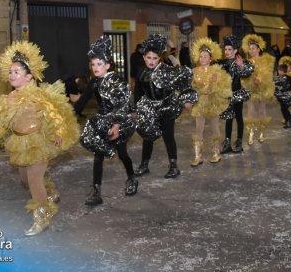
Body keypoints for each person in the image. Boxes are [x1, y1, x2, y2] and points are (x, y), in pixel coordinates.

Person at [0, 41, 79, 236]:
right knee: (25, 179)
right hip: (19, 143)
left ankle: (42, 217)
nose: (12, 75)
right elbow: (3, 120)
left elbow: (55, 114)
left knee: (34, 180)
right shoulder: (9, 98)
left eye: (17, 72)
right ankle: (51, 191)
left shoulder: (38, 95)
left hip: (38, 141)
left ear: (29, 77)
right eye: (10, 72)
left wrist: (59, 132)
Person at [78, 36, 138, 206]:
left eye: (99, 64)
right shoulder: (95, 82)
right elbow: (83, 101)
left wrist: (117, 125)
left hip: (119, 121)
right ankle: (96, 191)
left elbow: (122, 104)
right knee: (98, 155)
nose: (95, 68)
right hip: (103, 121)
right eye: (93, 64)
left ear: (107, 65)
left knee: (122, 153)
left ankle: (132, 178)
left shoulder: (116, 80)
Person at [132, 34, 197, 179]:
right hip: (149, 107)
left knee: (168, 136)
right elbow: (137, 91)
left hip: (167, 107)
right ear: (144, 58)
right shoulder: (141, 72)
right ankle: (144, 164)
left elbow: (183, 82)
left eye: (155, 58)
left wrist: (187, 98)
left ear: (159, 59)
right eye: (149, 58)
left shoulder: (167, 71)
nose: (151, 61)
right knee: (147, 136)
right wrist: (135, 108)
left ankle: (174, 166)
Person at [189, 37, 232, 166]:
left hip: (214, 102)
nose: (202, 59)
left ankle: (216, 153)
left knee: (215, 126)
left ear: (211, 58)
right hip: (200, 103)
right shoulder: (194, 71)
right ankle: (198, 156)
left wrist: (214, 83)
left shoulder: (216, 71)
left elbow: (221, 88)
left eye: (205, 56)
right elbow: (192, 88)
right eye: (201, 56)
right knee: (198, 129)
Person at [217, 35, 253, 154]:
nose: (226, 52)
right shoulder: (222, 63)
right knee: (228, 118)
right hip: (226, 95)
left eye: (229, 49)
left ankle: (238, 142)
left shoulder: (239, 62)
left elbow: (248, 72)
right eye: (225, 49)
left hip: (237, 94)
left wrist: (241, 65)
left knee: (238, 117)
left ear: (235, 50)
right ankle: (227, 143)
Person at [241, 34, 275, 144]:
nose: (251, 51)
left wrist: (259, 78)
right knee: (250, 110)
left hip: (262, 88)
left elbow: (266, 72)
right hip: (250, 88)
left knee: (261, 110)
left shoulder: (265, 60)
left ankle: (262, 132)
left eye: (253, 49)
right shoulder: (247, 62)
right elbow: (244, 75)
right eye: (249, 49)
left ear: (259, 49)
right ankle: (250, 133)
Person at [274, 63, 291, 128]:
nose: (278, 72)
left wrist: (275, 88)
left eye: (279, 70)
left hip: (284, 97)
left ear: (282, 71)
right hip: (287, 96)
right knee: (285, 109)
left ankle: (288, 122)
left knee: (284, 110)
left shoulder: (283, 78)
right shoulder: (288, 77)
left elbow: (280, 87)